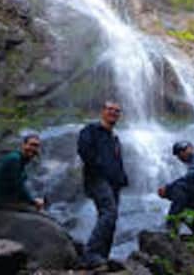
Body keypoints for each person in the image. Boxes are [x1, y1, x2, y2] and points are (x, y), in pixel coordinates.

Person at [77, 101, 129, 269]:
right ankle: (90, 254)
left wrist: (122, 179)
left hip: (114, 182)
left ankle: (102, 258)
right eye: (110, 109)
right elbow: (84, 151)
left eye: (117, 111)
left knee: (110, 217)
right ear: (102, 112)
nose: (113, 113)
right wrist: (98, 168)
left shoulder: (114, 138)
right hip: (97, 178)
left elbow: (117, 161)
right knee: (109, 213)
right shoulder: (91, 130)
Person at [0, 134, 45, 212]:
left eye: (36, 146)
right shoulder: (14, 159)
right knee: (37, 211)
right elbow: (18, 185)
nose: (33, 148)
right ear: (23, 145)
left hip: (6, 200)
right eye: (31, 144)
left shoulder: (20, 160)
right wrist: (33, 201)